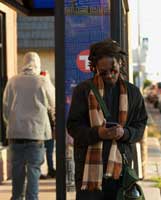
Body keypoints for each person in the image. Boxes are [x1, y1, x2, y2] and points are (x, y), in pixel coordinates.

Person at [67, 39, 148, 200]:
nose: (109, 75)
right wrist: (99, 133)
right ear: (95, 68)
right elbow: (73, 127)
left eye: (113, 70)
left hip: (121, 172)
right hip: (88, 173)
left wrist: (124, 133)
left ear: (121, 64)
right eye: (103, 72)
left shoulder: (133, 93)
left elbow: (140, 126)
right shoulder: (83, 90)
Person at [2, 52, 55, 200]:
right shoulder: (43, 81)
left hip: (15, 134)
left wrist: (12, 124)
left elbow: (5, 109)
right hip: (36, 135)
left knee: (17, 174)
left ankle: (17, 197)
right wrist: (48, 80)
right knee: (34, 171)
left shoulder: (12, 81)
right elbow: (54, 103)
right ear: (38, 64)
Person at [40, 70, 56, 179]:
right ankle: (49, 169)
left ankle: (50, 169)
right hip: (45, 127)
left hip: (45, 127)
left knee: (47, 150)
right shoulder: (50, 89)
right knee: (46, 150)